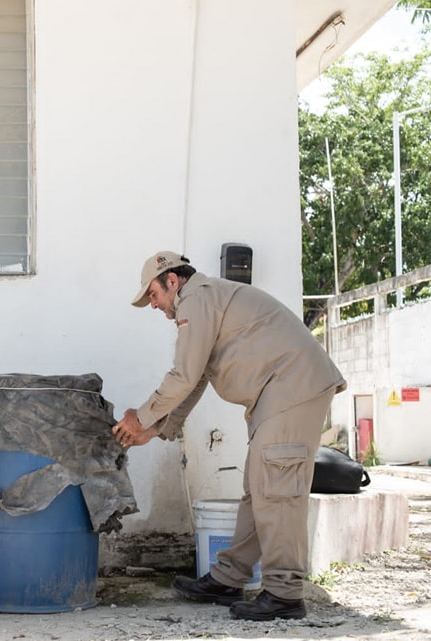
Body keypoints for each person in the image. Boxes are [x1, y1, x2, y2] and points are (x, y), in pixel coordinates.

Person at [112, 250, 346, 621]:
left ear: (172, 280)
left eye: (153, 295)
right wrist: (157, 430)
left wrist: (138, 419)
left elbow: (183, 376)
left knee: (278, 492)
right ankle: (227, 579)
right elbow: (196, 379)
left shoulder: (197, 298)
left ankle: (285, 594)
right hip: (280, 392)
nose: (153, 304)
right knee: (260, 489)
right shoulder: (205, 301)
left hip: (293, 387)